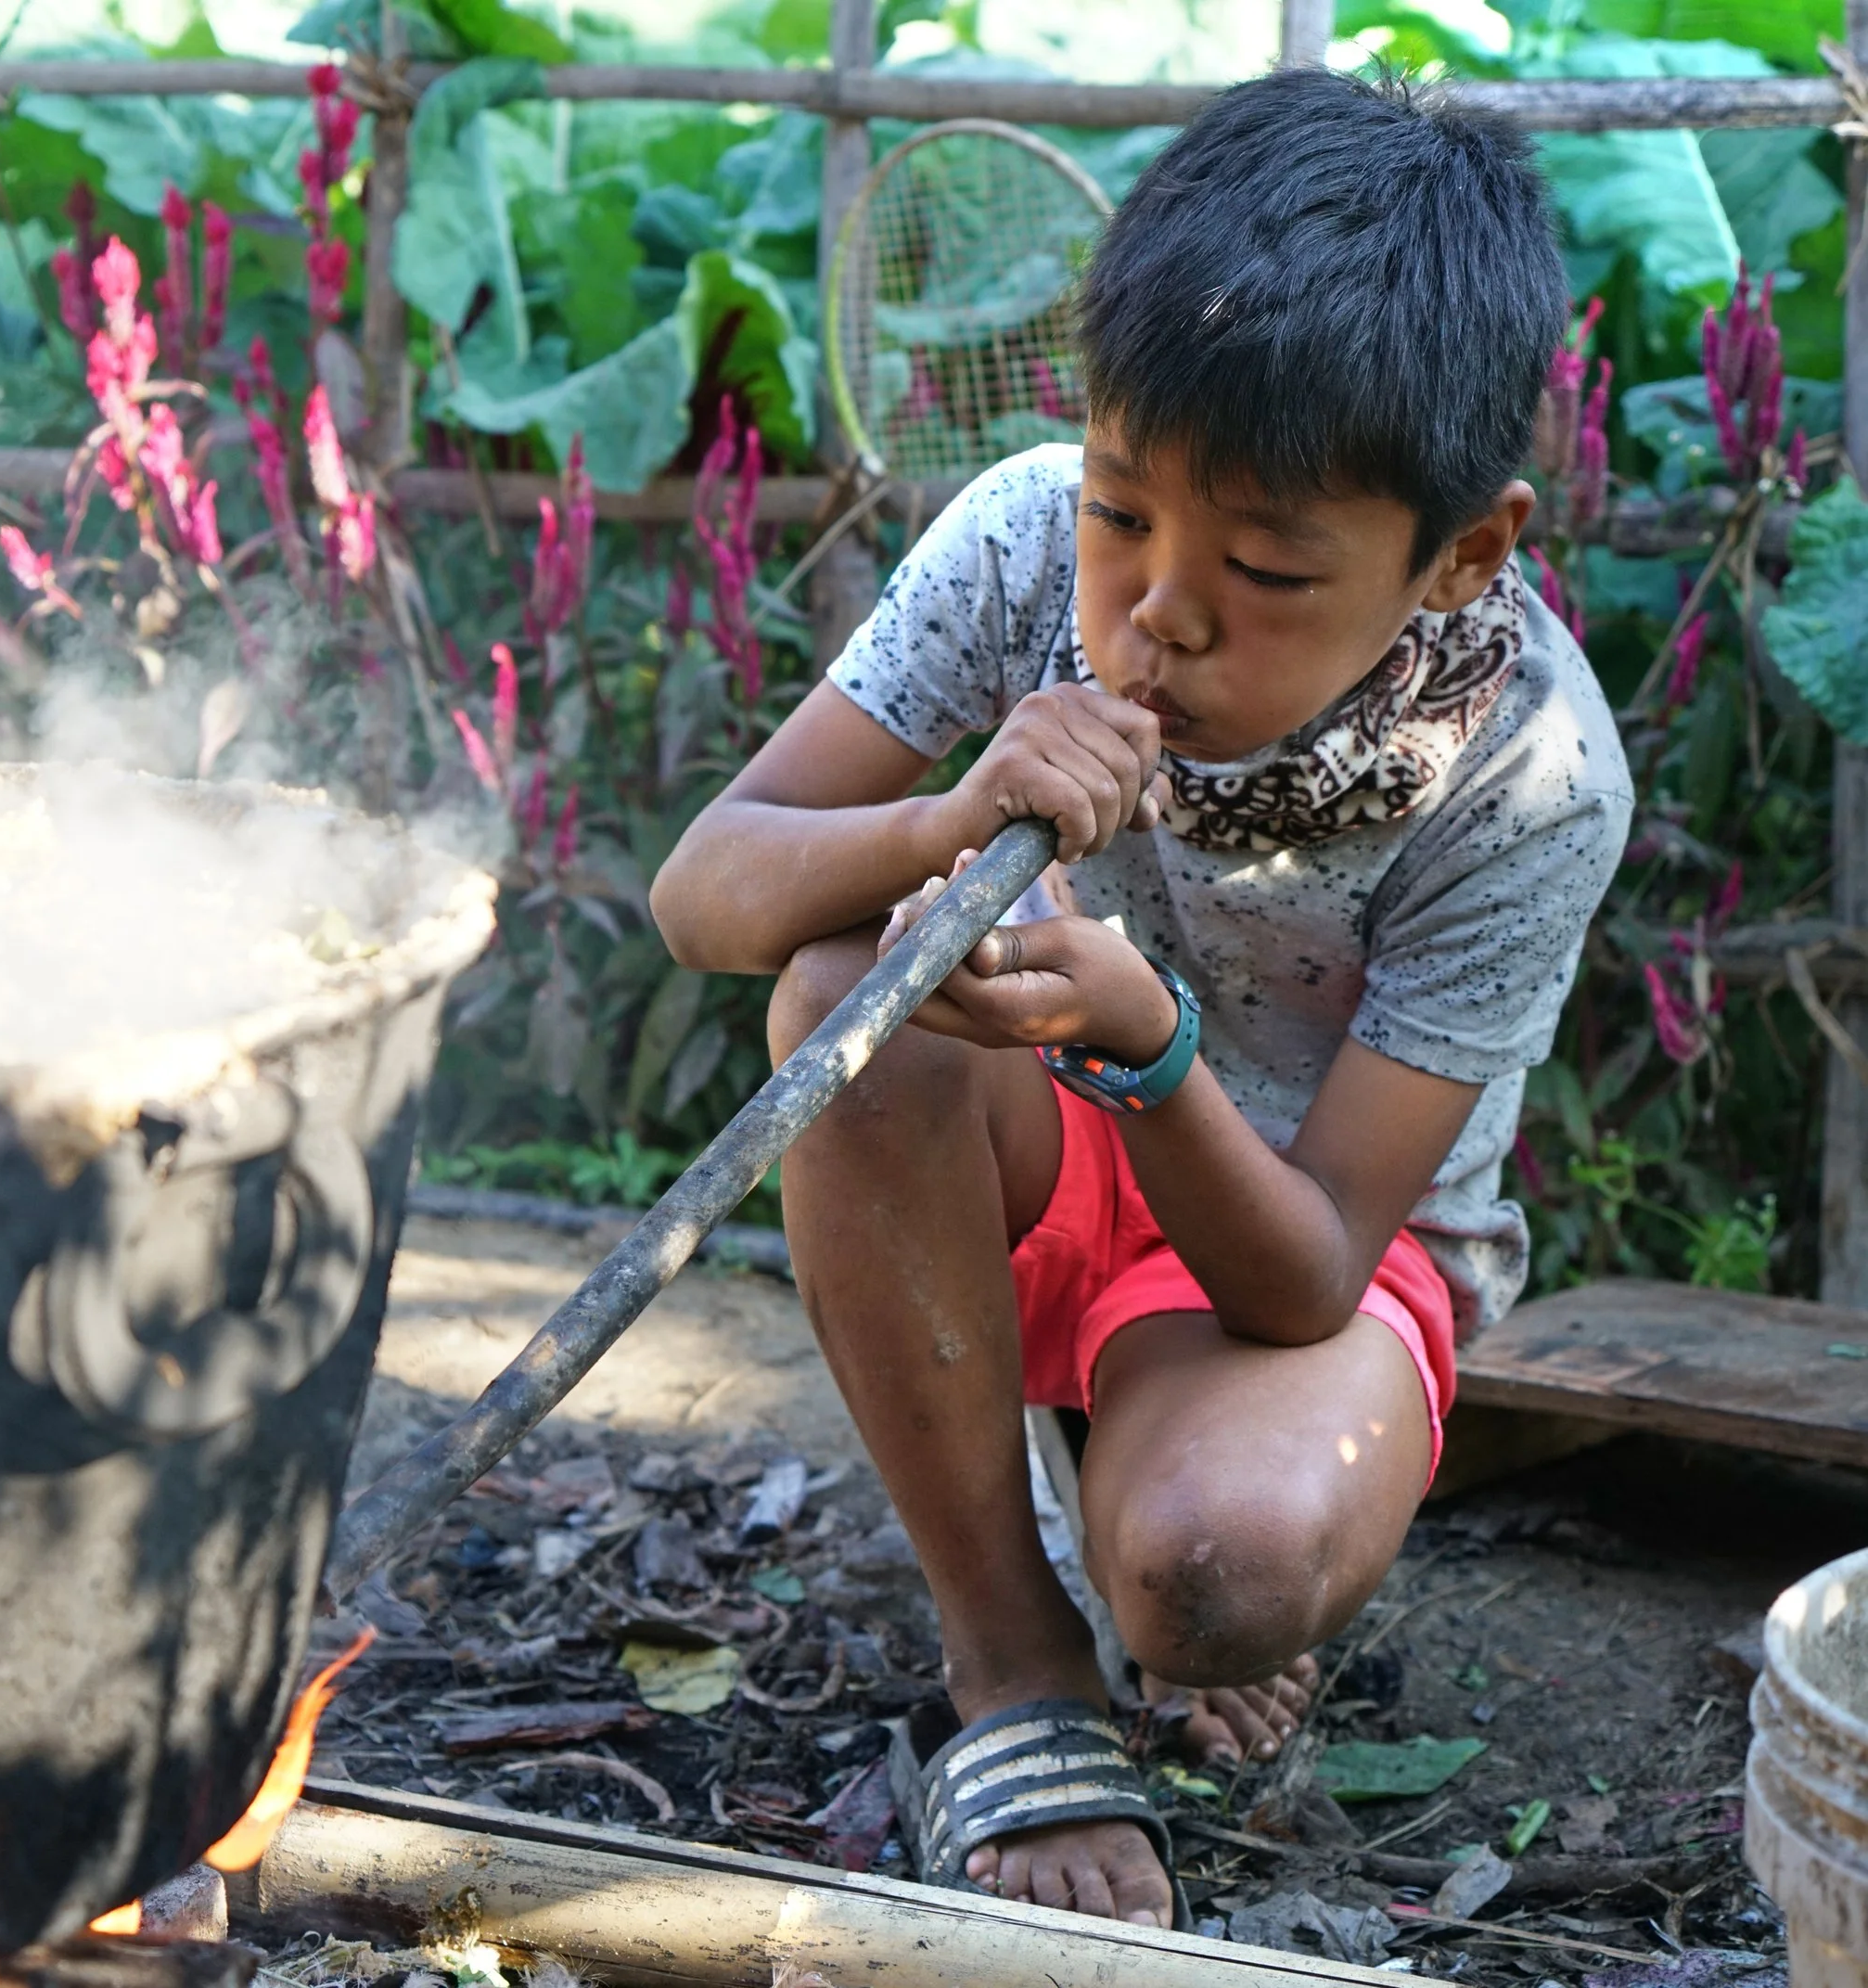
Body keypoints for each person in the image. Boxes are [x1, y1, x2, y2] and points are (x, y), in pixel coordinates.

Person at [648, 66, 1633, 1927]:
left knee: (1211, 1580)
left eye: (1262, 567)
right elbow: (706, 894)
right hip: (1035, 1155)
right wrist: (951, 818)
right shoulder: (1023, 541)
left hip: (1298, 1255)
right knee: (858, 990)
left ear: (1462, 553)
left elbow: (1310, 1270)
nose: (1157, 611)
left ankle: (1151, 1495)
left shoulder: (1530, 770)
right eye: (1123, 512)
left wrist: (1145, 1043)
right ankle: (1012, 1658)